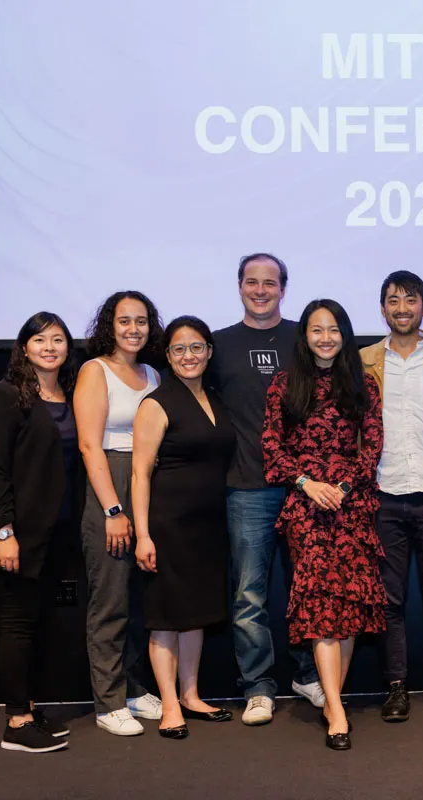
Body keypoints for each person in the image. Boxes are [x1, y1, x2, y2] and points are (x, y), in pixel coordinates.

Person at [262, 299, 385, 751]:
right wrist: (307, 484)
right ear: (305, 336)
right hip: (306, 509)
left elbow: (372, 445)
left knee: (348, 609)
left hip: (352, 506)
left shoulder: (363, 383)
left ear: (345, 334)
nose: (326, 338)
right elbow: (272, 446)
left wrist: (345, 486)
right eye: (317, 330)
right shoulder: (284, 384)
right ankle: (335, 707)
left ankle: (333, 697)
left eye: (333, 329)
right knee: (321, 609)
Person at [209, 254, 323, 726]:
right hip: (246, 488)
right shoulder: (217, 345)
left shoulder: (306, 339)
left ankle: (307, 674)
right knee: (249, 595)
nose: (261, 290)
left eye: (270, 283)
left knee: (308, 589)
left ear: (283, 288)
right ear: (239, 287)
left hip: (304, 489)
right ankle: (258, 687)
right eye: (252, 282)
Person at [0, 312, 79, 753]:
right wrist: (4, 532)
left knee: (39, 624)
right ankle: (15, 722)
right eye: (40, 339)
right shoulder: (6, 396)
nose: (50, 347)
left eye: (58, 339)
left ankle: (30, 708)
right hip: (17, 533)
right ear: (24, 347)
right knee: (16, 624)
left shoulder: (68, 396)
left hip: (57, 531)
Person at [359, 271, 423, 723]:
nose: (402, 308)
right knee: (389, 599)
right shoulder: (361, 361)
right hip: (382, 493)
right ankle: (396, 687)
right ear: (382, 309)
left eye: (411, 300)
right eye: (393, 301)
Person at [131, 317, 237, 738]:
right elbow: (140, 474)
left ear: (209, 352)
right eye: (179, 349)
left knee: (196, 614)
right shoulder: (155, 403)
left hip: (209, 524)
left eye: (196, 347)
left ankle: (191, 696)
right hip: (167, 524)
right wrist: (143, 534)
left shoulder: (215, 399)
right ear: (168, 356)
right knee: (166, 616)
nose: (188, 356)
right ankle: (170, 705)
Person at [74, 290, 164, 735]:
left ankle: (132, 688)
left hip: (147, 484)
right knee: (109, 598)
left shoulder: (152, 374)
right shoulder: (95, 371)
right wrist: (112, 508)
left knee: (138, 600)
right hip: (109, 483)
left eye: (142, 321)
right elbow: (89, 444)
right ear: (110, 325)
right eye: (125, 321)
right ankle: (108, 701)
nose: (134, 329)